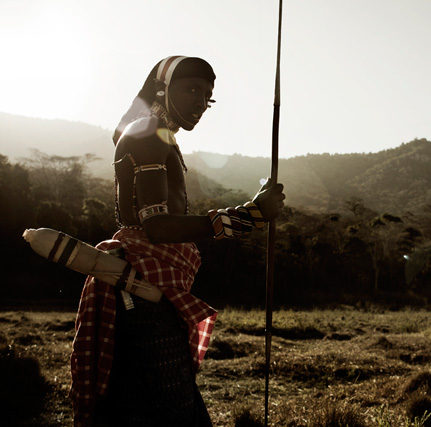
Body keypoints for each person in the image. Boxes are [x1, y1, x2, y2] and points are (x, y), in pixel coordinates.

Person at [69, 56, 285, 426]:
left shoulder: (157, 135)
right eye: (191, 89)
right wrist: (249, 215)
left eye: (208, 96)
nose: (201, 102)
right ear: (161, 89)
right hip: (143, 296)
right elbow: (158, 228)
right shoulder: (148, 131)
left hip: (146, 291)